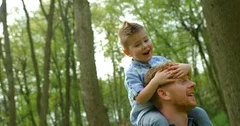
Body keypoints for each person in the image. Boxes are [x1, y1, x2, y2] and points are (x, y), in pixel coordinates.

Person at [118, 21, 212, 126]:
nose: (144, 46)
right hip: (147, 112)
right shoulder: (131, 73)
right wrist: (156, 81)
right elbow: (140, 99)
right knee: (158, 121)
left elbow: (180, 80)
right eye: (137, 45)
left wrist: (188, 68)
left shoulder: (160, 60)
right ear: (128, 52)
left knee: (199, 113)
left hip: (170, 106)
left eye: (146, 40)